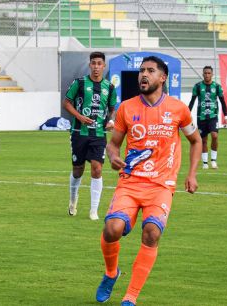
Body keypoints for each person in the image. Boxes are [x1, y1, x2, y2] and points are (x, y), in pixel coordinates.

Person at [95, 56, 201, 306]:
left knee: (151, 233)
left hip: (161, 186)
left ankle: (130, 297)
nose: (143, 74)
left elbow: (196, 140)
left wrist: (192, 173)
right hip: (131, 183)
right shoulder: (126, 108)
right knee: (112, 230)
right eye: (142, 70)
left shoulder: (178, 109)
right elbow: (113, 144)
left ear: (162, 78)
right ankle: (111, 273)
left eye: (150, 71)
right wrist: (113, 157)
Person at [62, 51, 116, 220]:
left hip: (98, 134)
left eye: (99, 63)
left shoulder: (110, 87)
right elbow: (66, 103)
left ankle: (94, 211)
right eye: (93, 63)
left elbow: (113, 108)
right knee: (78, 170)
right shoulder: (79, 83)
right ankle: (73, 199)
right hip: (79, 133)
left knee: (97, 169)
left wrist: (111, 121)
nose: (96, 67)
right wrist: (79, 117)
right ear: (89, 65)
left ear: (104, 66)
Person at [187, 66, 227, 169]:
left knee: (214, 136)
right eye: (205, 73)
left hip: (213, 116)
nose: (207, 75)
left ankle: (213, 160)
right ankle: (205, 162)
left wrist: (226, 115)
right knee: (203, 140)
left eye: (209, 73)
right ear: (203, 74)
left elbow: (223, 102)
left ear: (212, 74)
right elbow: (192, 102)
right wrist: (187, 114)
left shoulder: (217, 87)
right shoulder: (197, 86)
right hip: (201, 117)